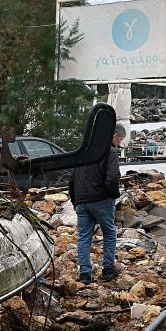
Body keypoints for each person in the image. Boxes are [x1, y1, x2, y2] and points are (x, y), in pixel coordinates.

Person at [70, 121, 125, 284]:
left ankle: (85, 274)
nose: (119, 144)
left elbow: (72, 179)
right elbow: (112, 178)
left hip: (81, 201)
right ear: (115, 136)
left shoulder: (85, 151)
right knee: (109, 233)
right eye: (120, 141)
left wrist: (75, 200)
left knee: (84, 237)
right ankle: (108, 269)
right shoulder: (110, 151)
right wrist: (114, 196)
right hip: (101, 200)